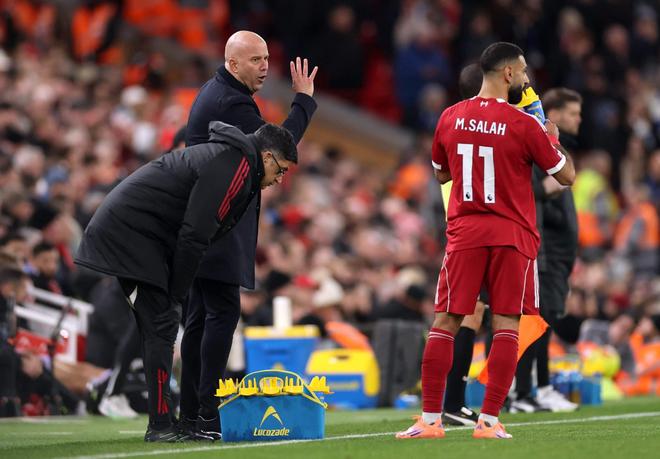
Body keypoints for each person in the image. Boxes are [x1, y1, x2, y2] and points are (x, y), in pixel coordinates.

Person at [75, 121, 298, 442]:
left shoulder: (233, 160)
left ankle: (166, 421)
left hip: (141, 235)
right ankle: (160, 425)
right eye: (280, 170)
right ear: (266, 156)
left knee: (160, 325)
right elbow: (195, 234)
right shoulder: (233, 165)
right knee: (162, 324)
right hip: (129, 235)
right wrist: (178, 291)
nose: (279, 179)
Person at [396, 42, 575, 440]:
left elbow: (441, 174)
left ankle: (430, 420)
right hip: (512, 234)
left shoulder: (449, 116)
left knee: (446, 321)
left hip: (466, 232)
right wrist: (551, 137)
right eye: (523, 71)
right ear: (508, 73)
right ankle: (489, 422)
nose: (526, 78)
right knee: (506, 323)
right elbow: (566, 176)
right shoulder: (524, 123)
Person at [180, 30, 318, 440]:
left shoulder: (219, 91)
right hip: (217, 222)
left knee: (201, 317)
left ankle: (191, 414)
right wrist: (304, 101)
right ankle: (207, 414)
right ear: (233, 63)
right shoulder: (232, 102)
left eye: (266, 58)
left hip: (204, 221)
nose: (264, 67)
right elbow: (278, 147)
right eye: (256, 60)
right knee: (220, 314)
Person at [512, 88, 583, 413]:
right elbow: (528, 193)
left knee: (545, 320)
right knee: (538, 320)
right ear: (551, 114)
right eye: (572, 113)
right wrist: (546, 190)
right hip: (544, 251)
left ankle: (537, 387)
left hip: (555, 253)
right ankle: (531, 389)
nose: (578, 119)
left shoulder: (556, 148)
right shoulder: (537, 146)